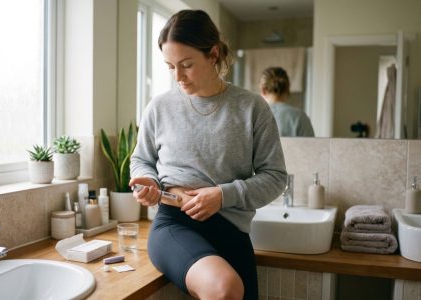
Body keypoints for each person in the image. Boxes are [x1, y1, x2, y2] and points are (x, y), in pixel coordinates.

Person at [129, 10, 287, 300]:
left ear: (213, 54)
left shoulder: (251, 108)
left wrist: (222, 196)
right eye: (170, 66)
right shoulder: (159, 107)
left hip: (231, 229)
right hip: (174, 222)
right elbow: (142, 159)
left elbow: (275, 178)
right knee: (226, 288)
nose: (178, 76)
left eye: (186, 65)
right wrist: (148, 182)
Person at [259, 67, 315, 137]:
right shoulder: (300, 117)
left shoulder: (255, 117)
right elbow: (311, 146)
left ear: (263, 90)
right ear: (288, 89)